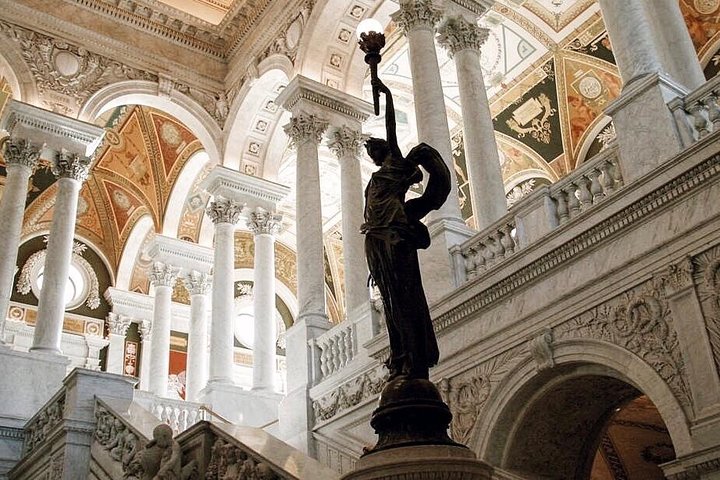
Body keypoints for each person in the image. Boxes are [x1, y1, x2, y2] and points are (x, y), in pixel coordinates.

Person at [361, 78, 451, 380]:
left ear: (384, 148)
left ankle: (414, 355)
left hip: (395, 236)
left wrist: (385, 93)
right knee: (389, 301)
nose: (372, 153)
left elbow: (390, 127)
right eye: (370, 151)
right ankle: (399, 356)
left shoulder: (396, 164)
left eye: (374, 148)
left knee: (404, 298)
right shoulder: (377, 176)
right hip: (375, 239)